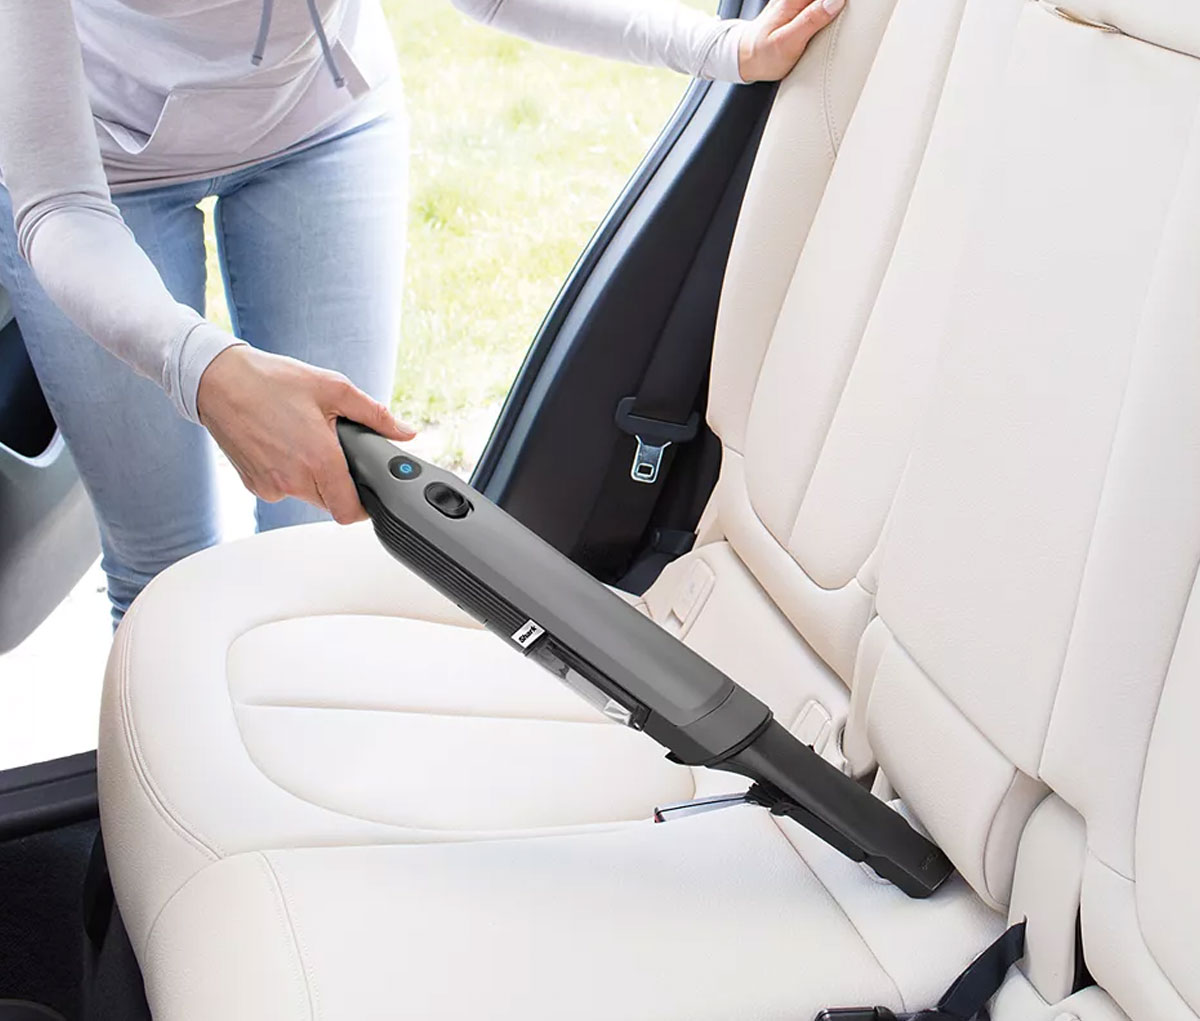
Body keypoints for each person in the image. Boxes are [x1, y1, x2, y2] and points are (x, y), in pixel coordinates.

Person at [0, 0, 844, 625]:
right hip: (101, 164)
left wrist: (721, 47)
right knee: (162, 575)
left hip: (320, 123)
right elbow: (59, 207)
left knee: (321, 534)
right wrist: (203, 367)